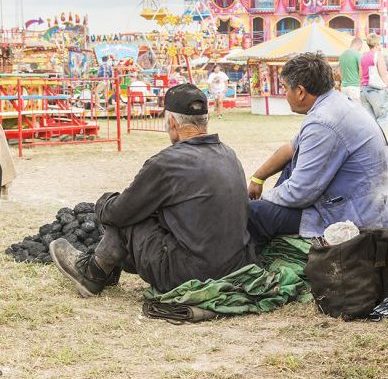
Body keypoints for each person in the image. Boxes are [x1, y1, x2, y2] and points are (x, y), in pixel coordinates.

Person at [49, 83, 255, 297]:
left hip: (190, 273)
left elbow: (120, 212)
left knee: (127, 215)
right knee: (147, 207)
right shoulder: (229, 154)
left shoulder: (167, 162)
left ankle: (93, 273)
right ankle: (104, 269)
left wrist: (103, 203)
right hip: (235, 268)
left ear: (172, 122)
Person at [247, 53, 388, 247]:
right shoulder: (335, 103)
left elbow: (299, 193)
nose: (285, 95)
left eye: (285, 88)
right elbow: (291, 148)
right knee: (288, 169)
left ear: (300, 91)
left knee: (253, 214)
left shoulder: (324, 122)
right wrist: (258, 178)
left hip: (355, 215)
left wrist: (264, 199)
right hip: (362, 200)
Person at [360, 33, 388, 139]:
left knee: (370, 122)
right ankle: (379, 143)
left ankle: (370, 144)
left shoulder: (363, 56)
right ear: (377, 44)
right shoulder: (378, 55)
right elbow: (383, 75)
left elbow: (360, 75)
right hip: (377, 91)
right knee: (383, 118)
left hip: (364, 90)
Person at [338, 36, 362, 101]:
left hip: (344, 87)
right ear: (359, 45)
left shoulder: (342, 55)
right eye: (360, 47)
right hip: (354, 87)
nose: (360, 49)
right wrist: (360, 82)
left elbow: (339, 71)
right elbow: (361, 69)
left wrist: (343, 81)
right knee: (356, 109)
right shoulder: (357, 54)